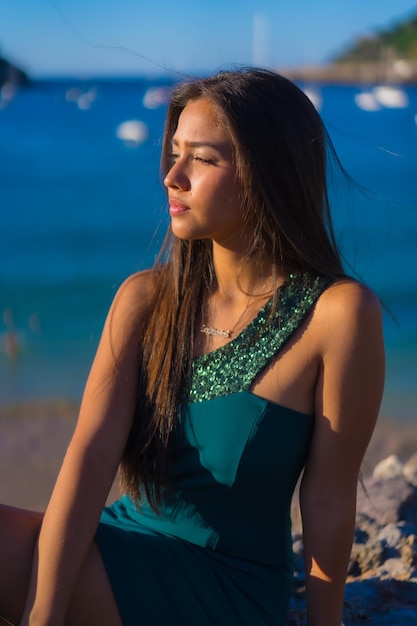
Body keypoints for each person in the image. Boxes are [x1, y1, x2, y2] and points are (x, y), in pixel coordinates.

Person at [0, 68, 385, 626]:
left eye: (202, 159)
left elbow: (327, 500)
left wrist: (325, 622)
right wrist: (45, 615)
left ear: (266, 173)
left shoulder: (339, 314)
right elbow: (91, 456)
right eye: (174, 153)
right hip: (124, 536)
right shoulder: (145, 298)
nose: (172, 177)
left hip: (225, 585)